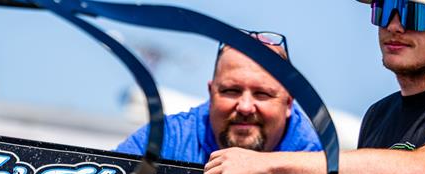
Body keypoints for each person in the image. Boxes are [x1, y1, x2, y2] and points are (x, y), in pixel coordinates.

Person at [203, 0, 425, 174]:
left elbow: (423, 173)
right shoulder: (380, 113)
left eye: (414, 14)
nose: (393, 25)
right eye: (384, 9)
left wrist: (268, 165)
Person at [116, 32, 322, 163]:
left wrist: (272, 167)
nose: (245, 106)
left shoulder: (314, 157)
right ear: (211, 92)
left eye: (262, 94)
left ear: (288, 102)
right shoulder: (165, 140)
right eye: (231, 90)